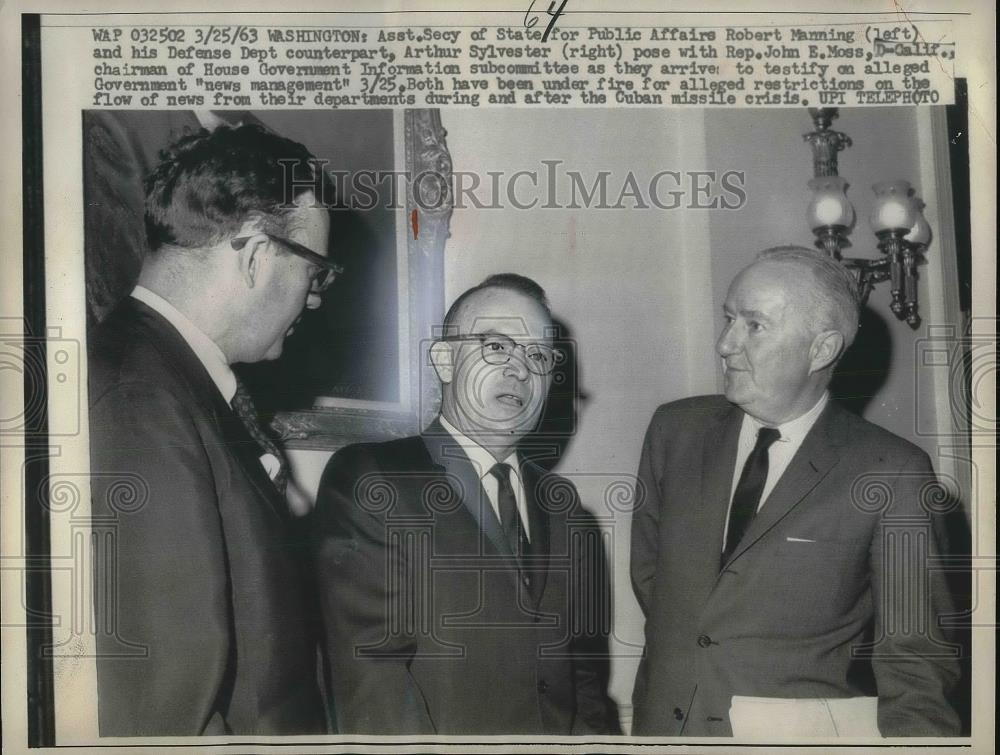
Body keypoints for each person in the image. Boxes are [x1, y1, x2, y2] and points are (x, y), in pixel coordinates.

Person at [629, 247, 961, 737]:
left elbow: (916, 667)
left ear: (821, 349)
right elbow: (652, 579)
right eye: (728, 319)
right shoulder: (674, 431)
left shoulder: (893, 473)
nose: (724, 343)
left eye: (754, 325)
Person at [88, 124, 342, 735]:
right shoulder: (139, 398)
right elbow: (168, 702)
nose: (312, 300)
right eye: (316, 274)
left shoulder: (169, 378)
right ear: (256, 254)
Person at [312, 274, 619, 735]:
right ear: (444, 360)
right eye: (497, 346)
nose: (520, 369)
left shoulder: (567, 511)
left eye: (538, 355)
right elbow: (372, 681)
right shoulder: (373, 480)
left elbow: (584, 684)